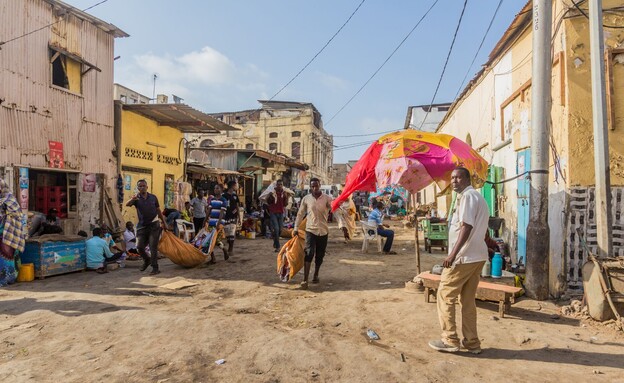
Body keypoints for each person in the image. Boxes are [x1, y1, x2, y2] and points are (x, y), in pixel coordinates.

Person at [428, 167, 489, 355]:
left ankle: (450, 340)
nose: (454, 181)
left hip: (464, 258)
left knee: (445, 294)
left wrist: (452, 255)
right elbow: (479, 227)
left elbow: (467, 226)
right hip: (476, 256)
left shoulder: (468, 197)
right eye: (452, 177)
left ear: (467, 179)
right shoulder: (474, 197)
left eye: (458, 177)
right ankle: (472, 343)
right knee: (468, 300)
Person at [293, 178, 332, 290]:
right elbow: (300, 214)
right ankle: (305, 279)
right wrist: (296, 227)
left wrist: (341, 224)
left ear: (320, 185)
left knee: (320, 255)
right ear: (311, 187)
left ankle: (316, 274)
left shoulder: (327, 198)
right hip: (310, 230)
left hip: (323, 231)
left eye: (316, 186)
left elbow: (335, 209)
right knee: (309, 252)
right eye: (313, 186)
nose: (315, 188)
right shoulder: (306, 199)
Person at [125, 179, 167, 275]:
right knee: (139, 246)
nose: (142, 187)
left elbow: (158, 210)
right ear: (138, 188)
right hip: (142, 226)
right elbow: (127, 204)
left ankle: (155, 268)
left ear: (147, 187)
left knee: (153, 247)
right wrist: (133, 199)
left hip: (154, 225)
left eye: (143, 186)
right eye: (140, 186)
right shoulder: (136, 198)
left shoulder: (153, 197)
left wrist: (164, 222)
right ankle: (146, 260)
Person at [0, 179, 27, 287]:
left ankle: (7, 278)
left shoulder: (9, 199)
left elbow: (17, 215)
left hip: (7, 233)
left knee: (7, 255)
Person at [206, 184, 229, 262]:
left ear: (221, 189)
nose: (215, 189)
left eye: (217, 188)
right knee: (209, 241)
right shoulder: (212, 200)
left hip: (219, 223)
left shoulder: (224, 200)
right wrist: (205, 220)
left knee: (217, 240)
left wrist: (218, 224)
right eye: (215, 188)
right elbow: (209, 211)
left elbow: (221, 214)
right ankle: (213, 258)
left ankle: (224, 249)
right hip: (211, 222)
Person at [267, 179, 287, 252]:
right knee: (276, 228)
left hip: (281, 213)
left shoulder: (283, 193)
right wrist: (270, 196)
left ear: (282, 185)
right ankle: (278, 247)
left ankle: (275, 242)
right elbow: (268, 202)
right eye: (278, 184)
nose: (280, 186)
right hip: (273, 212)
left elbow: (285, 204)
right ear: (276, 185)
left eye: (281, 184)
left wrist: (286, 197)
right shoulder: (273, 192)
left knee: (280, 230)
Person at [223, 180, 240, 257]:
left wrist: (239, 216)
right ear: (232, 186)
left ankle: (231, 248)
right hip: (226, 216)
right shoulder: (224, 195)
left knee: (232, 233)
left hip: (234, 216)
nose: (236, 186)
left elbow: (237, 206)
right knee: (228, 234)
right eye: (235, 185)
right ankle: (229, 246)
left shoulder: (235, 196)